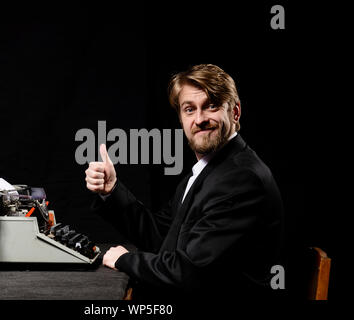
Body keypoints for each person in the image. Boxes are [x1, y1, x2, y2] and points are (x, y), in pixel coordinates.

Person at [85, 64, 284, 300]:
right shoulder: (211, 170)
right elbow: (160, 238)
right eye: (189, 109)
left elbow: (189, 273)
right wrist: (112, 190)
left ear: (235, 112)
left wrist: (125, 260)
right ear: (181, 119)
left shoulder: (240, 178)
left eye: (211, 106)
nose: (199, 119)